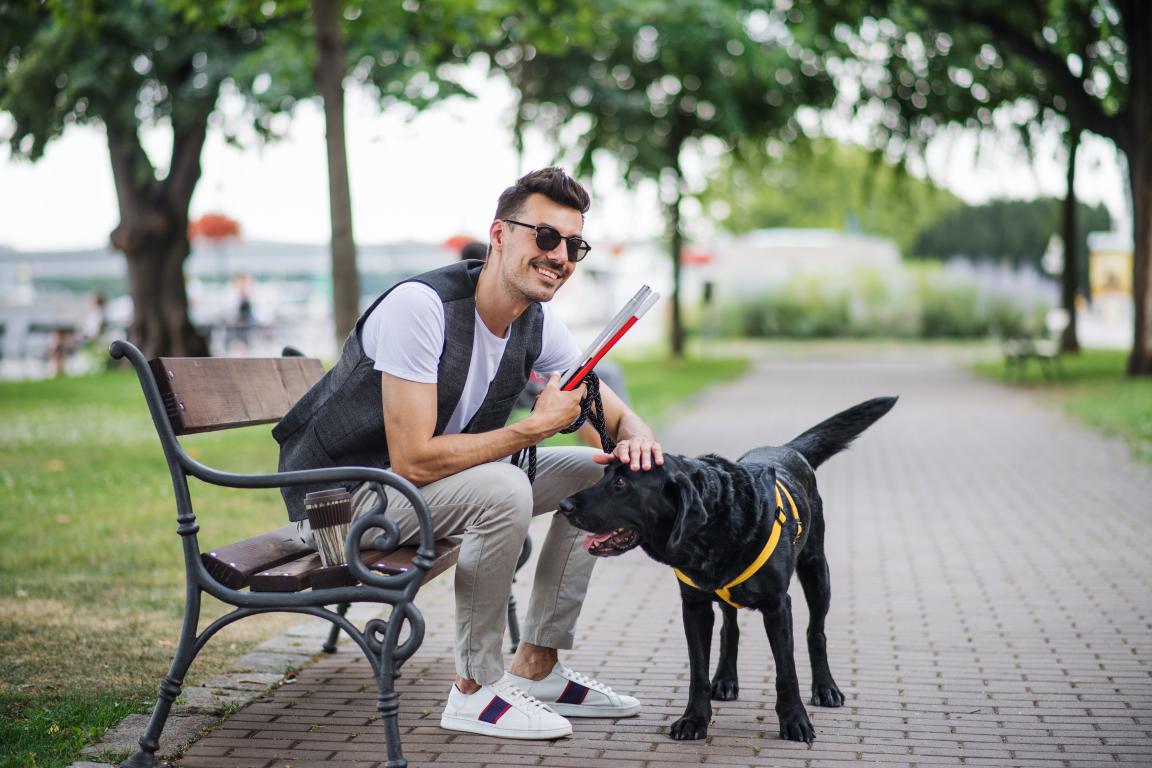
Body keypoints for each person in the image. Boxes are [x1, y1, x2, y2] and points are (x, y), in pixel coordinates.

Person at [273, 167, 663, 740]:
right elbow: (411, 460)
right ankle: (475, 690)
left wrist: (636, 441)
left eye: (573, 245)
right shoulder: (421, 307)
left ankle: (538, 668)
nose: (560, 256)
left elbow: (602, 408)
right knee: (504, 488)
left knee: (599, 479)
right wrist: (531, 430)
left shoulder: (537, 321)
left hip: (414, 493)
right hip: (339, 504)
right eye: (545, 237)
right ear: (501, 235)